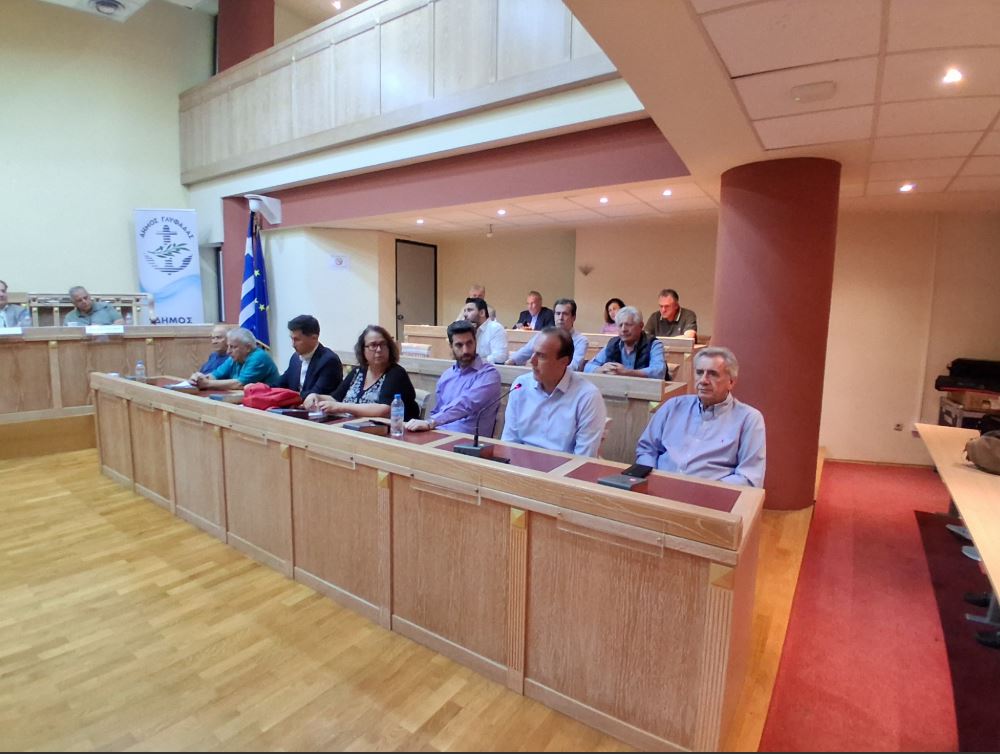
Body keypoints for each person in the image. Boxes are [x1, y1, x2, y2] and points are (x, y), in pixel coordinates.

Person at [635, 346, 765, 487]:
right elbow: (647, 449)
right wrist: (652, 478)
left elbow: (749, 477)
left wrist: (703, 491)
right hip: (657, 489)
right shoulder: (673, 406)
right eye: (699, 372)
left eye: (713, 374)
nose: (703, 380)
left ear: (731, 382)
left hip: (710, 497)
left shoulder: (749, 419)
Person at [501, 327, 607, 457]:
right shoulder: (520, 385)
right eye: (533, 353)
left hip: (564, 469)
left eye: (541, 356)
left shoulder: (587, 397)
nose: (532, 361)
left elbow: (583, 459)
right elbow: (509, 443)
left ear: (564, 362)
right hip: (519, 466)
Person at [404, 320, 502, 435]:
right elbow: (436, 411)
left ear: (475, 342)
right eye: (459, 345)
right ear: (451, 346)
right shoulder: (447, 375)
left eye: (469, 343)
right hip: (438, 435)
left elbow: (466, 404)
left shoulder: (489, 374)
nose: (465, 350)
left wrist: (430, 422)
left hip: (468, 442)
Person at [306, 324, 419, 420]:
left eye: (383, 344)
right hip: (353, 428)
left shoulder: (396, 373)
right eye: (373, 345)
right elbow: (336, 398)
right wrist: (316, 396)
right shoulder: (358, 372)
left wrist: (341, 407)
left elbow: (384, 410)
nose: (379, 350)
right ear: (362, 350)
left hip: (389, 432)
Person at [506, 298, 588, 371]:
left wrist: (549, 370)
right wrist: (511, 361)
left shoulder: (581, 341)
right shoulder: (544, 335)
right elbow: (524, 352)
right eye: (558, 313)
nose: (560, 318)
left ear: (573, 317)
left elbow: (574, 366)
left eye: (565, 314)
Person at [585, 306, 667, 379]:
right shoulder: (613, 344)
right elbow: (588, 367)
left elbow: (659, 372)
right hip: (616, 389)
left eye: (628, 325)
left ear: (641, 325)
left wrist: (627, 373)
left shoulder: (653, 344)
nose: (623, 329)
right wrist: (601, 369)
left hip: (646, 390)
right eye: (620, 325)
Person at [189, 326, 280, 389]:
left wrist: (207, 383)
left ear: (248, 347)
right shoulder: (234, 358)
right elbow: (215, 375)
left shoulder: (258, 357)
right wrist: (198, 378)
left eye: (233, 347)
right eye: (228, 346)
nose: (228, 351)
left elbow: (240, 384)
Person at [277, 314, 343, 400]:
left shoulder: (329, 361)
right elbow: (280, 384)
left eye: (297, 339)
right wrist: (262, 388)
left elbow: (315, 394)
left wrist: (285, 397)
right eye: (291, 339)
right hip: (294, 406)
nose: (292, 345)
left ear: (314, 338)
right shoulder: (295, 358)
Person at [462, 297, 508, 364]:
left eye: (469, 310)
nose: (465, 314)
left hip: (488, 368)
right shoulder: (469, 330)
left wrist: (475, 362)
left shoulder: (495, 328)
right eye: (465, 311)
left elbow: (500, 356)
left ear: (482, 313)